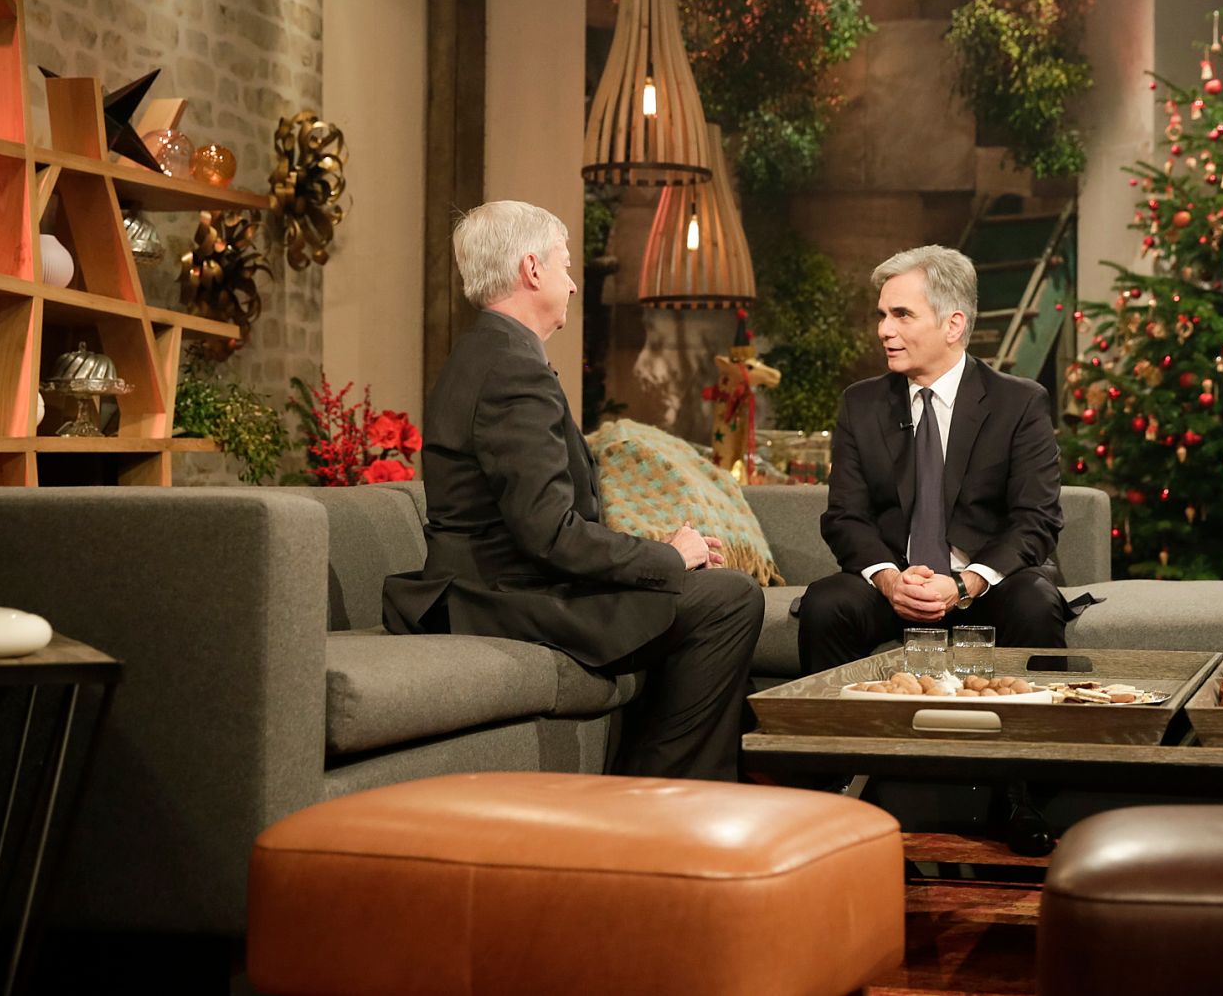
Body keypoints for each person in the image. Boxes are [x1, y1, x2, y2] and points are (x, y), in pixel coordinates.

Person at [382, 200, 765, 781]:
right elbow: (549, 534)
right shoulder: (512, 367)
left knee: (699, 595)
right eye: (565, 266)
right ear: (532, 270)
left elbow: (540, 520)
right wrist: (666, 557)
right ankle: (662, 799)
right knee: (729, 599)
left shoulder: (484, 352)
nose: (572, 286)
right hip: (500, 594)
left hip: (498, 580)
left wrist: (652, 557)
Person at [797, 245, 1066, 675]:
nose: (885, 330)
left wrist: (963, 583)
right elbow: (846, 517)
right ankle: (840, 741)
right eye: (882, 315)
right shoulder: (861, 404)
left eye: (902, 315)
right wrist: (890, 581)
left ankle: (1028, 741)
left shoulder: (1018, 402)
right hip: (897, 585)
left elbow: (1036, 518)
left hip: (985, 583)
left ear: (953, 324)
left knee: (1035, 604)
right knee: (826, 605)